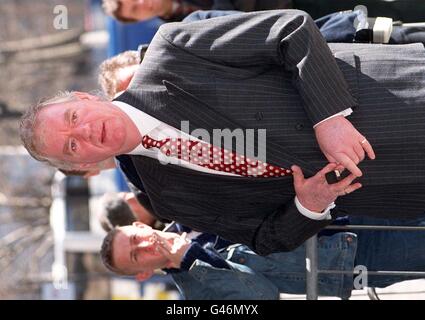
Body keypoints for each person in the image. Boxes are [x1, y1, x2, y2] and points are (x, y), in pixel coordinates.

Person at [20, 10, 425, 255]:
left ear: (82, 97)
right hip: (397, 186)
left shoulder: (172, 50)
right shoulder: (167, 199)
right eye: (72, 146)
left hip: (396, 99)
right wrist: (309, 205)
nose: (88, 132)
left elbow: (290, 30)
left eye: (74, 118)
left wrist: (329, 117)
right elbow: (265, 238)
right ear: (85, 164)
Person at [100, 217, 425, 299]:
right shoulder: (197, 295)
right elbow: (262, 294)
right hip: (348, 258)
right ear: (142, 274)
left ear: (140, 224)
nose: (143, 245)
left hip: (344, 209)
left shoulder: (189, 210)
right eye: (135, 256)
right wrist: (189, 258)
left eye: (135, 238)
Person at [102, 0, 293, 23]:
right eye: (135, 9)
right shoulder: (177, 32)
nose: (143, 2)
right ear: (138, 19)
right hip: (283, 21)